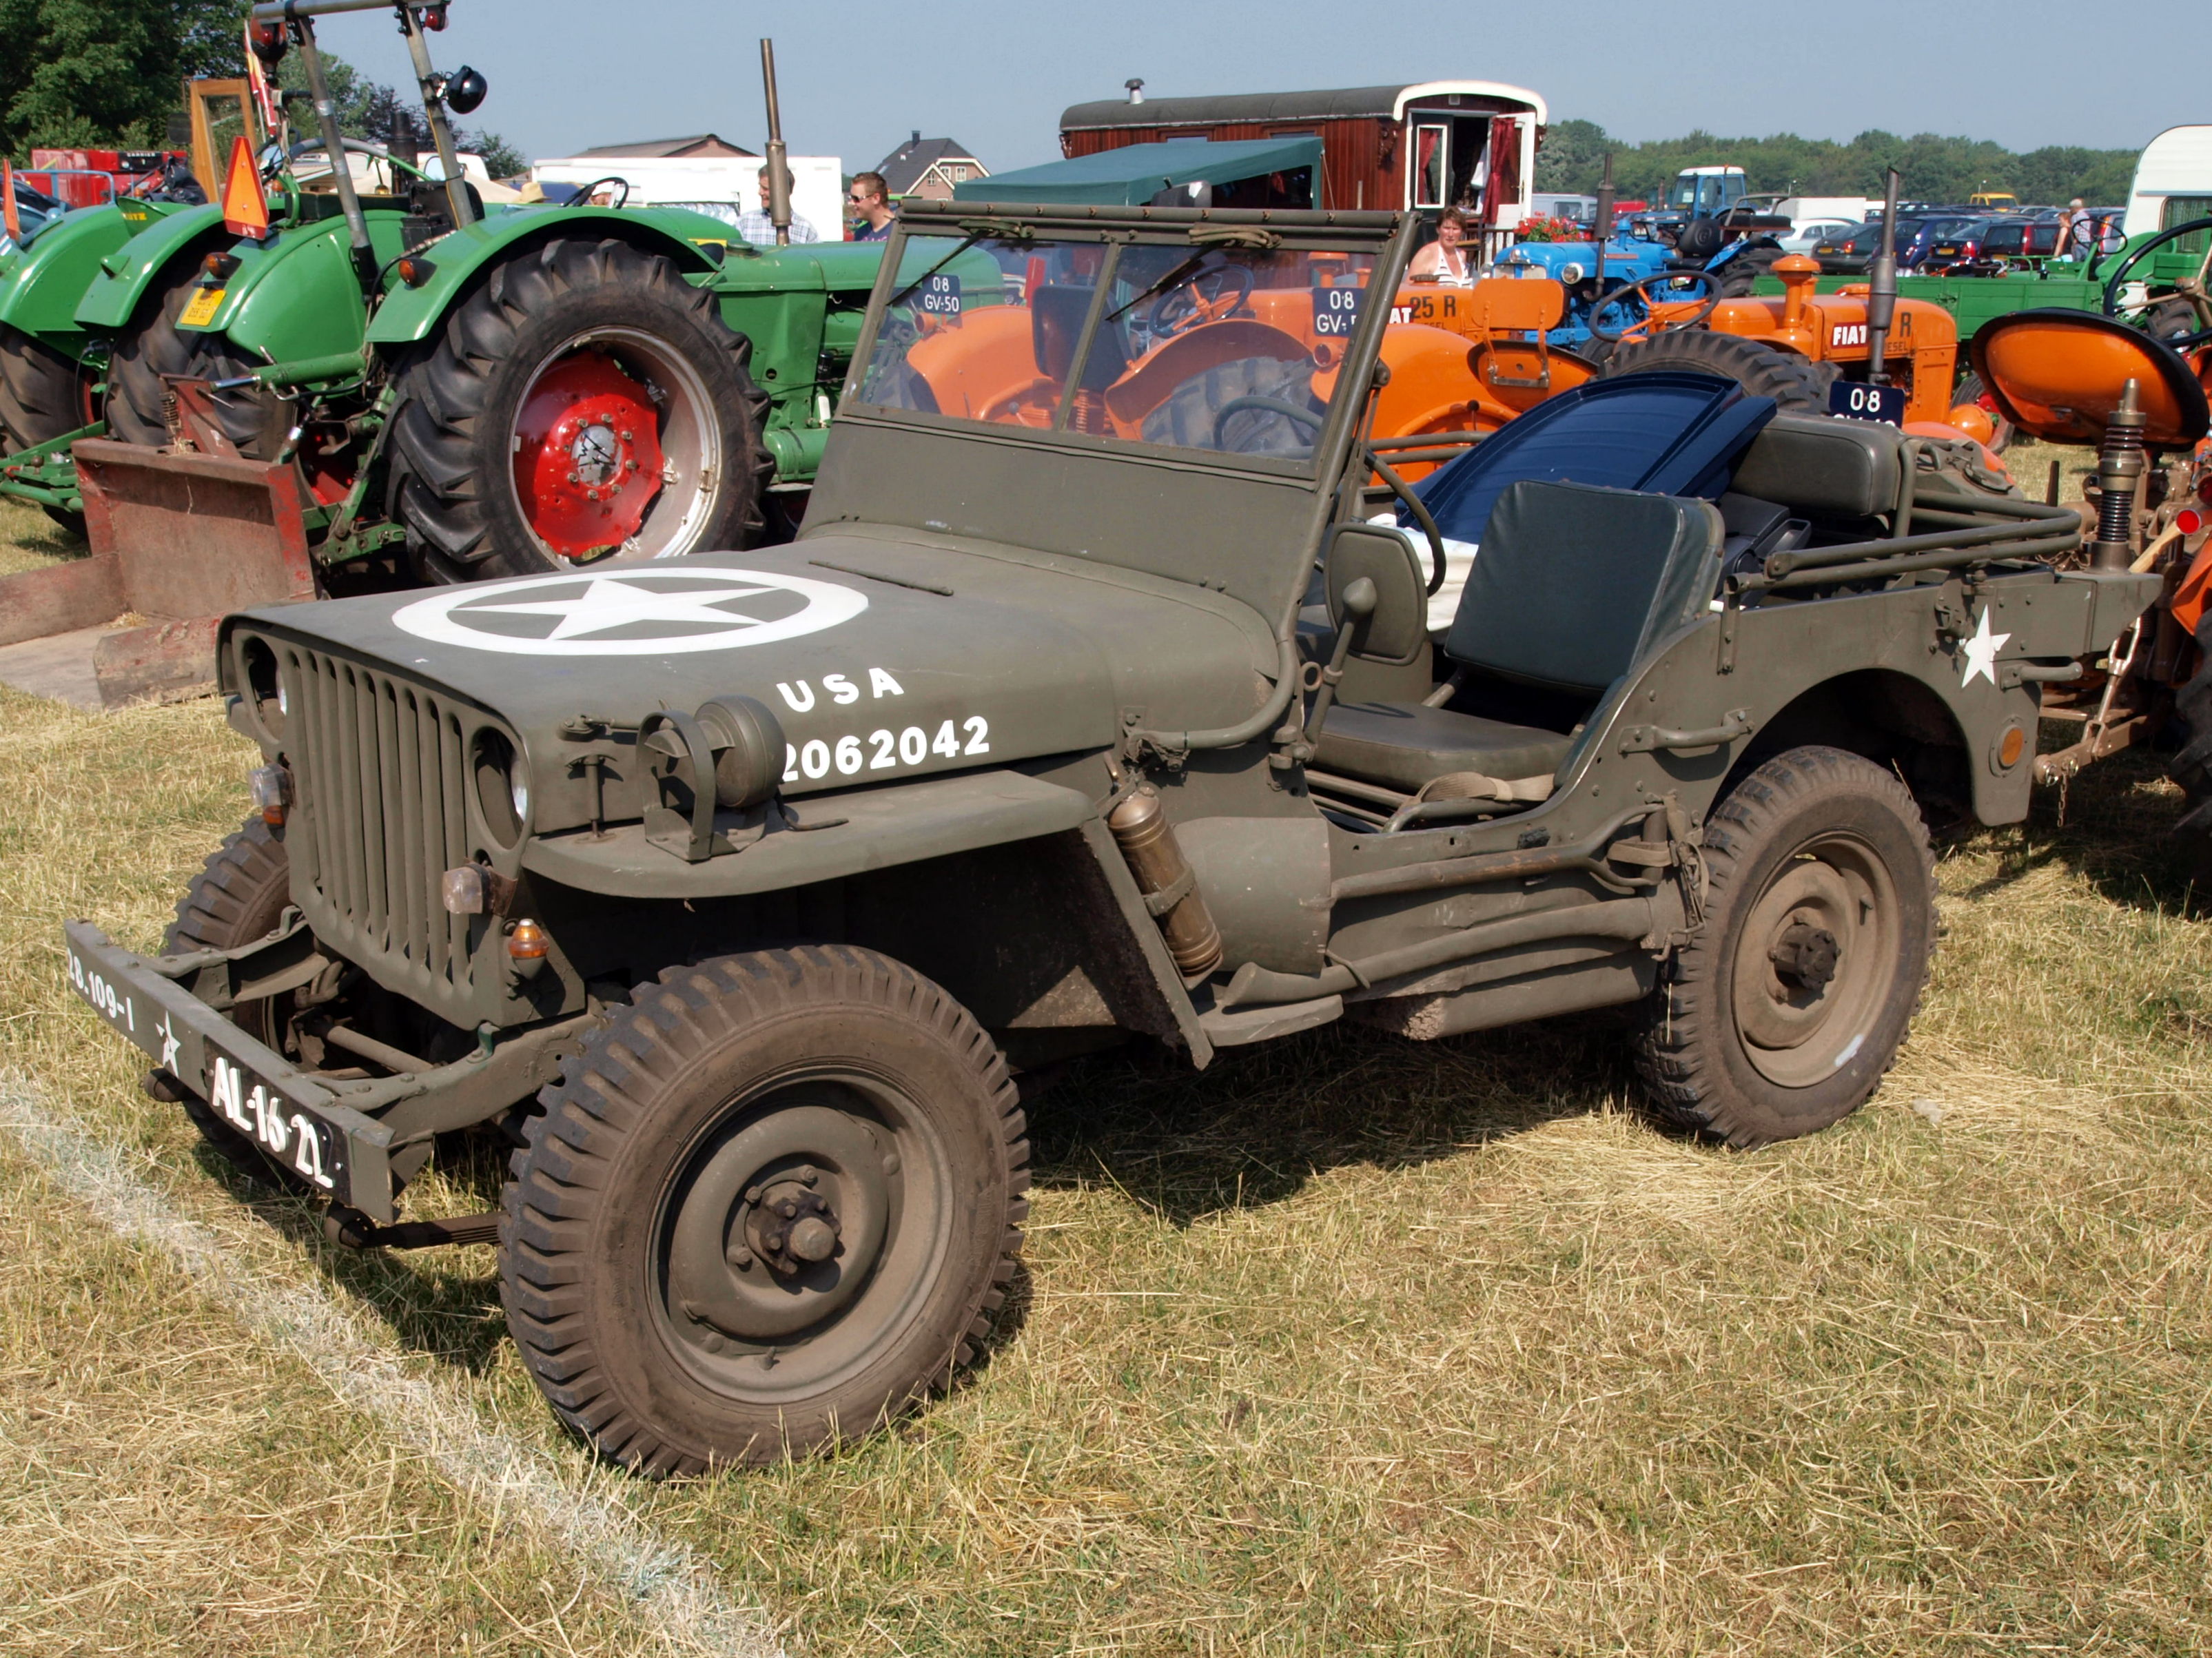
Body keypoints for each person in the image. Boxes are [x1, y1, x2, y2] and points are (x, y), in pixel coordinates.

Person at [737, 162, 819, 246]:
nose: (760, 192)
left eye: (765, 189)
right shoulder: (744, 223)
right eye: (760, 187)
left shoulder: (805, 229)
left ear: (784, 191)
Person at [1407, 207, 1476, 285]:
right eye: (1447, 228)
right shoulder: (1427, 253)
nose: (1450, 234)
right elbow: (1409, 288)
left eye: (1455, 229)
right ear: (1438, 229)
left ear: (1462, 232)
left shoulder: (1461, 255)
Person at [847, 171, 893, 241]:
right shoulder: (860, 234)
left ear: (876, 199)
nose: (852, 203)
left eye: (856, 199)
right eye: (851, 198)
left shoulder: (901, 232)